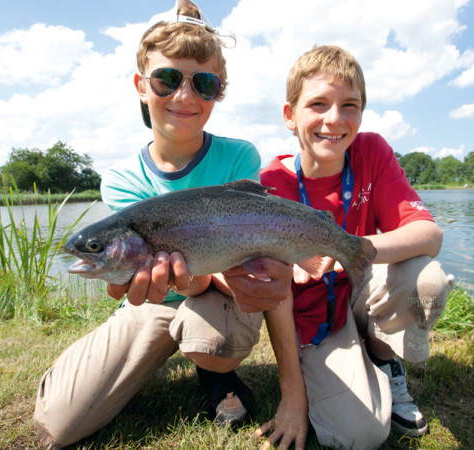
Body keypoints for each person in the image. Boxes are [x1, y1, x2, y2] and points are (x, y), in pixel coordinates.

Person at [32, 2, 293, 448]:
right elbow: (129, 284)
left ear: (218, 92)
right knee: (57, 425)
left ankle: (216, 375)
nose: (185, 96)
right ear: (140, 85)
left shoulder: (240, 157)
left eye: (204, 83)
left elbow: (252, 266)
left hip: (220, 296)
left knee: (211, 332)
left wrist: (201, 280)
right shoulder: (120, 179)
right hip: (150, 302)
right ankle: (160, 354)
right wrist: (171, 281)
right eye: (167, 79)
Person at [256, 45, 455, 449]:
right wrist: (293, 395)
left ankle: (382, 358)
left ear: (362, 113)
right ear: (289, 116)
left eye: (350, 105)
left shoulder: (372, 151)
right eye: (317, 104)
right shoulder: (270, 184)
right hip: (312, 320)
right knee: (360, 436)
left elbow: (429, 235)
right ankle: (344, 365)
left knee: (427, 280)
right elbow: (274, 295)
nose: (334, 119)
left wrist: (349, 247)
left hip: (359, 291)